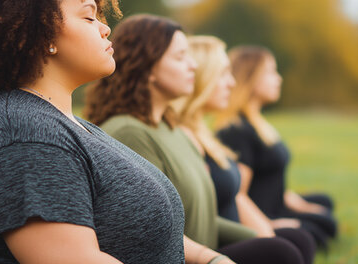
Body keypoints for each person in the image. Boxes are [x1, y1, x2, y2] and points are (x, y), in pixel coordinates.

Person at [0, 0, 185, 263]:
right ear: (44, 34)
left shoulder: (64, 123)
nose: (104, 28)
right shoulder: (23, 137)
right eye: (88, 18)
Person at [84, 15, 304, 264]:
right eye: (180, 57)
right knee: (281, 253)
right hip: (181, 258)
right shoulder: (129, 133)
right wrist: (213, 257)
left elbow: (206, 218)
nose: (193, 66)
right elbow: (147, 227)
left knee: (287, 245)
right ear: (148, 68)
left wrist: (257, 235)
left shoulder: (172, 128)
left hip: (205, 252)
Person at [173, 35, 317, 264]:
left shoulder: (203, 134)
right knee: (290, 247)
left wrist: (265, 232)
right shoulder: (223, 132)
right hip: (208, 247)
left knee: (302, 236)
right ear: (203, 78)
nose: (231, 82)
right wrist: (266, 229)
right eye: (223, 74)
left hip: (223, 236)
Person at [216, 46, 338, 249]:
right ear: (251, 78)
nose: (279, 79)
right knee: (324, 226)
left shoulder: (257, 123)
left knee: (324, 204)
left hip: (277, 203)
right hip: (263, 214)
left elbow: (272, 181)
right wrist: (270, 224)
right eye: (271, 72)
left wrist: (300, 205)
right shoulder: (236, 131)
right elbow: (237, 194)